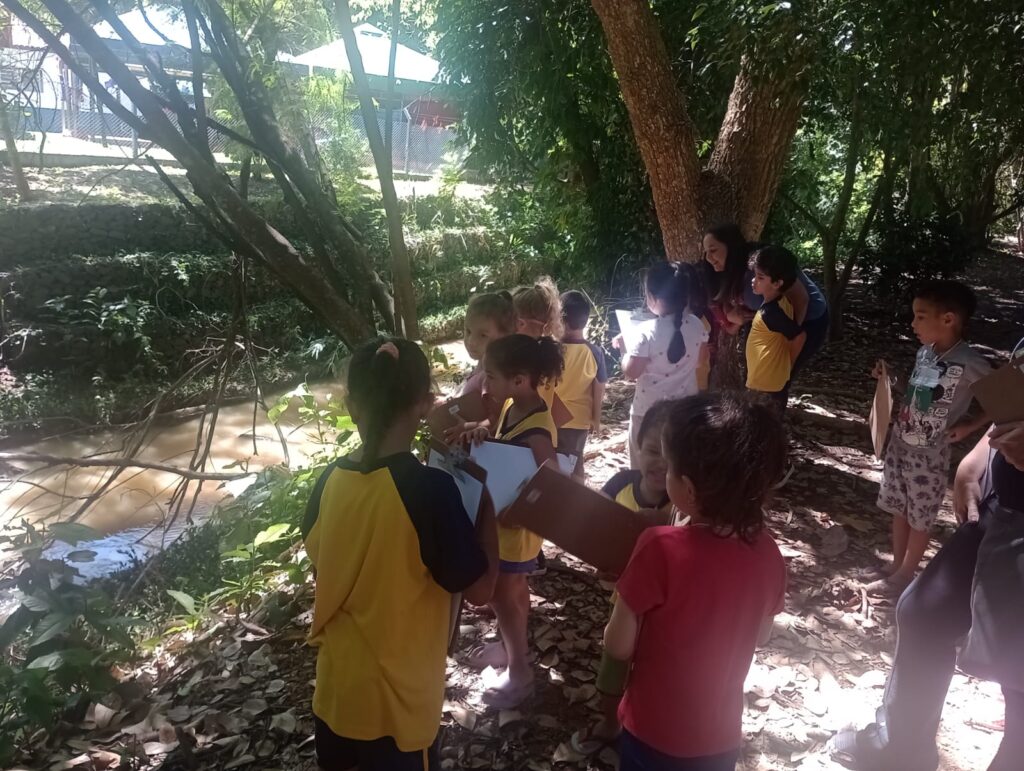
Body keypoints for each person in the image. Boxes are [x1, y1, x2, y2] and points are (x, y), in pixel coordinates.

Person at [302, 338, 498, 771]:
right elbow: (481, 590)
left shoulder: (328, 481)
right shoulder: (431, 492)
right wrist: (487, 510)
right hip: (397, 708)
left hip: (336, 692)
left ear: (352, 407)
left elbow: (323, 562)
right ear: (425, 404)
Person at [603, 392, 787, 771]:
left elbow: (618, 645)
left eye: (669, 465)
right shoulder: (769, 553)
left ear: (687, 487)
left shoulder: (658, 547)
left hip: (652, 729)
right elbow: (762, 635)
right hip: (720, 736)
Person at [830, 419, 1024, 771]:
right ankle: (900, 751)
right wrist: (977, 457)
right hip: (1005, 506)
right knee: (925, 614)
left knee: (1017, 675)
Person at [867, 280, 991, 595]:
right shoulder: (925, 352)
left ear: (948, 319)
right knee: (899, 507)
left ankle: (906, 574)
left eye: (920, 316)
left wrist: (970, 426)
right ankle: (896, 565)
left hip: (930, 454)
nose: (913, 324)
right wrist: (890, 378)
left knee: (920, 514)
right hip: (901, 443)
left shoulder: (970, 362)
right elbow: (915, 393)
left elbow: (1003, 399)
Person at [462, 334, 564, 709]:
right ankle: (509, 648)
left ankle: (519, 673)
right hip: (505, 523)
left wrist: (519, 509)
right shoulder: (514, 406)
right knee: (513, 590)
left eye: (491, 376)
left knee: (502, 595)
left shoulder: (537, 430)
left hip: (515, 527)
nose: (484, 384)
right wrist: (483, 431)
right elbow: (504, 438)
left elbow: (553, 481)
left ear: (519, 380)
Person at [569, 402, 675, 757]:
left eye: (670, 455)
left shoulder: (683, 504)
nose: (660, 463)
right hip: (624, 602)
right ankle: (611, 722)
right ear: (637, 447)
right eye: (652, 451)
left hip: (664, 608)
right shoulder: (620, 484)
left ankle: (645, 729)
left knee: (652, 670)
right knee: (613, 666)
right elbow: (594, 526)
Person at [703, 223, 829, 378]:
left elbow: (801, 299)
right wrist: (731, 316)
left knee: (776, 378)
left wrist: (785, 348)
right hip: (767, 322)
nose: (708, 258)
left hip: (807, 320)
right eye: (706, 252)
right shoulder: (721, 270)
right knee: (757, 376)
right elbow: (725, 302)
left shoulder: (763, 261)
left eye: (713, 250)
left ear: (731, 246)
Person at [615, 261, 709, 467]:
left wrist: (624, 349)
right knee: (676, 463)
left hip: (648, 412)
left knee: (643, 465)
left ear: (653, 297)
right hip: (684, 410)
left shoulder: (645, 331)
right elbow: (700, 361)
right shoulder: (697, 325)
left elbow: (632, 372)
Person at [745, 245, 807, 412]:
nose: (754, 281)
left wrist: (789, 363)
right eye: (754, 275)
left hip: (765, 387)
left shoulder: (771, 313)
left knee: (759, 424)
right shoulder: (781, 302)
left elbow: (799, 336)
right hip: (769, 383)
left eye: (760, 277)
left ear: (777, 283)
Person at [554, 290, 608, 479]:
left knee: (552, 463)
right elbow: (599, 389)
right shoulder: (594, 352)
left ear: (562, 320)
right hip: (579, 421)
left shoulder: (552, 350)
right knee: (575, 462)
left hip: (551, 418)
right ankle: (578, 493)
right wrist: (596, 419)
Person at [459, 291, 517, 398]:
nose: (471, 341)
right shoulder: (482, 365)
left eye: (483, 335)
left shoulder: (491, 380)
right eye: (468, 331)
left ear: (505, 336)